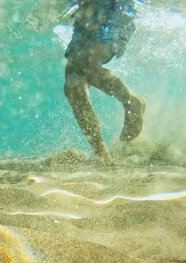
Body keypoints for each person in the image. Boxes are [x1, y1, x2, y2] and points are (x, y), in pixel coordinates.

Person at [63, 0, 146, 164]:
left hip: (113, 12)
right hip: (86, 16)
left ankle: (131, 101)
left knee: (86, 62)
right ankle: (101, 154)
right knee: (72, 84)